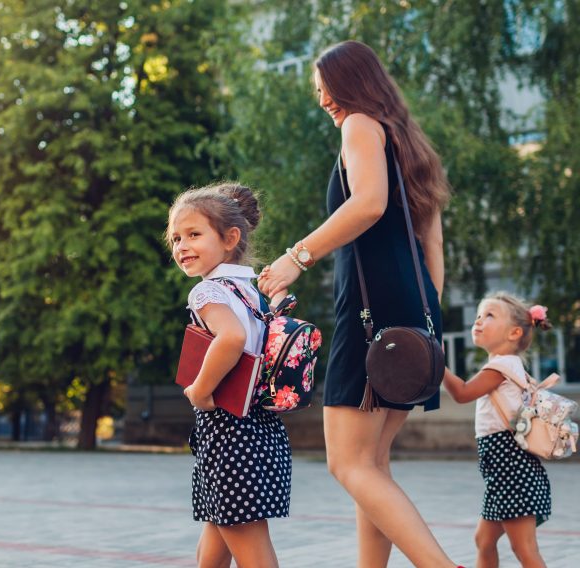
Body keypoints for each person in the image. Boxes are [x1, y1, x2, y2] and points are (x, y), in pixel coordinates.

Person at [258, 41, 463, 567]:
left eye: (324, 85)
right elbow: (432, 244)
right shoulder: (410, 145)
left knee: (346, 463)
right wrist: (428, 319)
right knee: (371, 463)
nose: (321, 97)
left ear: (351, 82)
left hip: (372, 311)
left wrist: (295, 258)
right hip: (413, 309)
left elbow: (367, 204)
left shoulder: (360, 126)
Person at [166, 182, 292, 568]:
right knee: (214, 547)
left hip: (228, 431)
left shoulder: (207, 293)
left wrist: (200, 389)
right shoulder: (249, 292)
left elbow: (232, 338)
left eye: (193, 234)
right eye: (175, 238)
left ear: (230, 238)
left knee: (251, 547)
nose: (181, 246)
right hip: (259, 427)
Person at [443, 293, 552, 568]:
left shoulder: (501, 365)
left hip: (512, 471)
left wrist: (436, 364)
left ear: (515, 332)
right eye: (479, 315)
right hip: (505, 471)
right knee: (484, 540)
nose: (479, 320)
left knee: (524, 549)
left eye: (489, 315)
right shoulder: (509, 366)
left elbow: (462, 392)